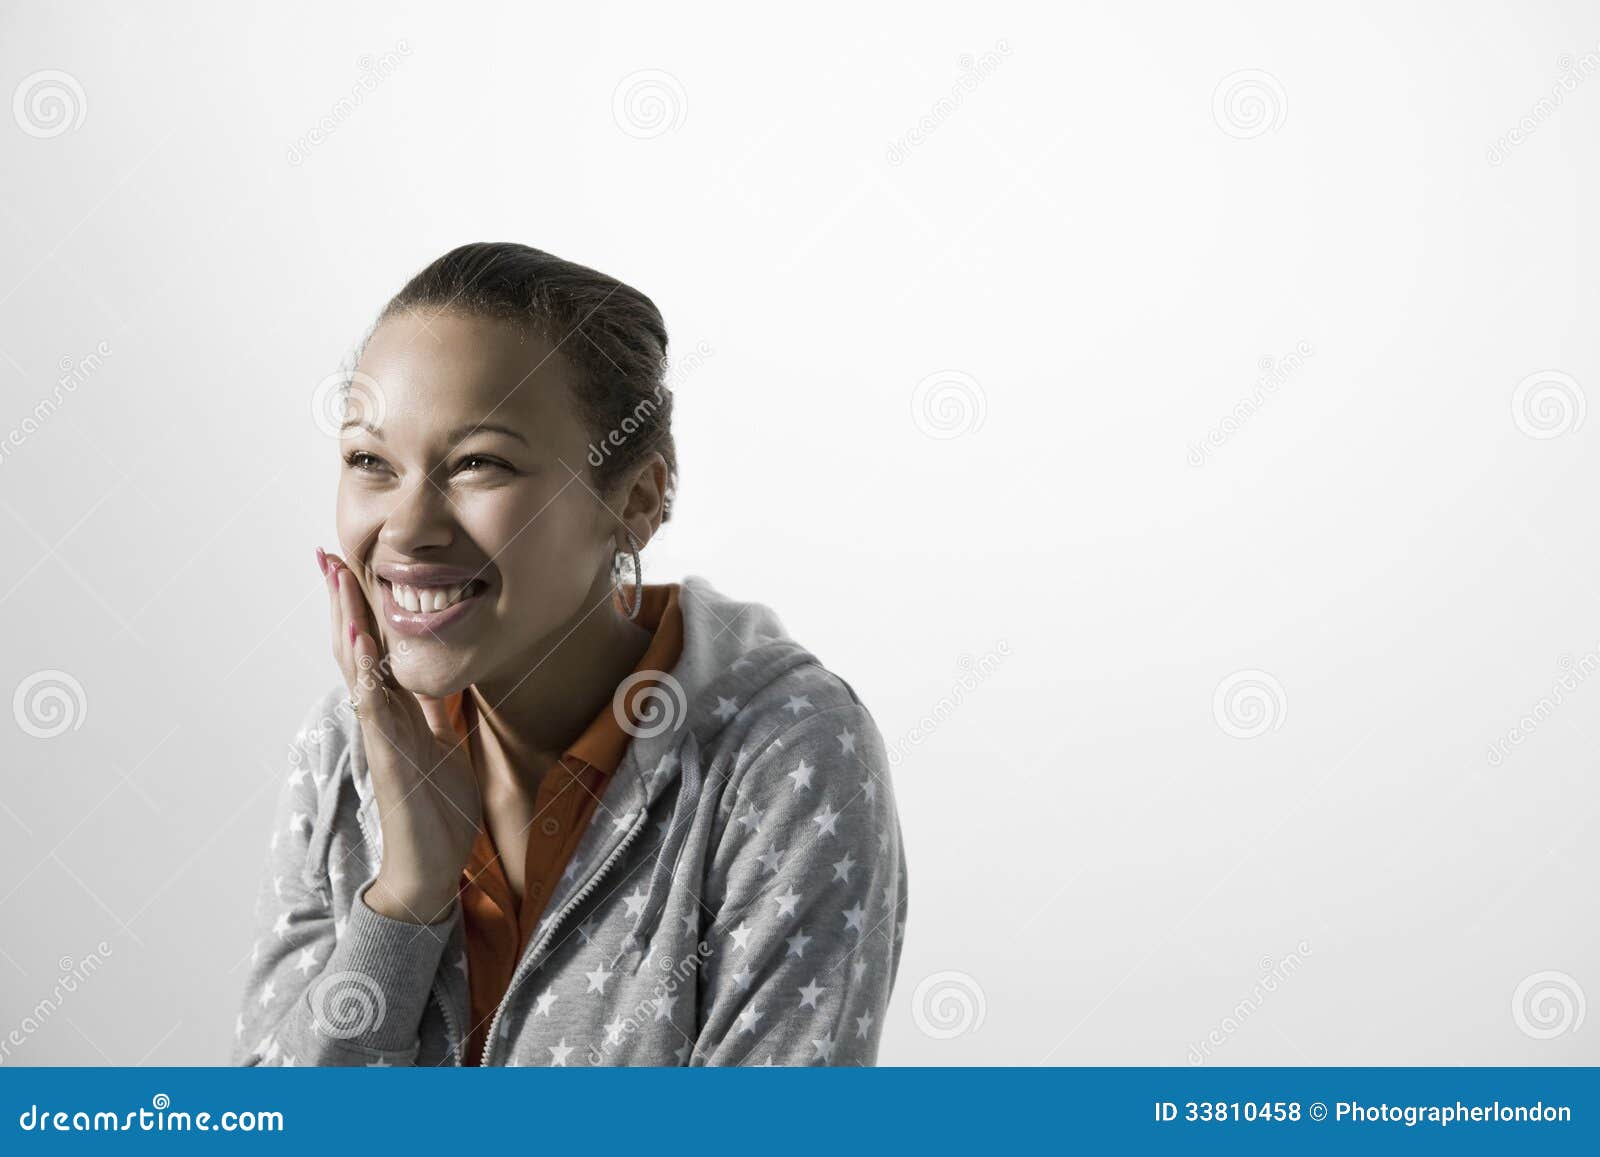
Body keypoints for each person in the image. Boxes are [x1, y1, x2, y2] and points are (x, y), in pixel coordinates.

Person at [230, 242, 908, 1066]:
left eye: (479, 463)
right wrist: (404, 900)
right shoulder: (344, 746)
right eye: (370, 462)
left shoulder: (782, 757)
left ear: (636, 500)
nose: (406, 531)